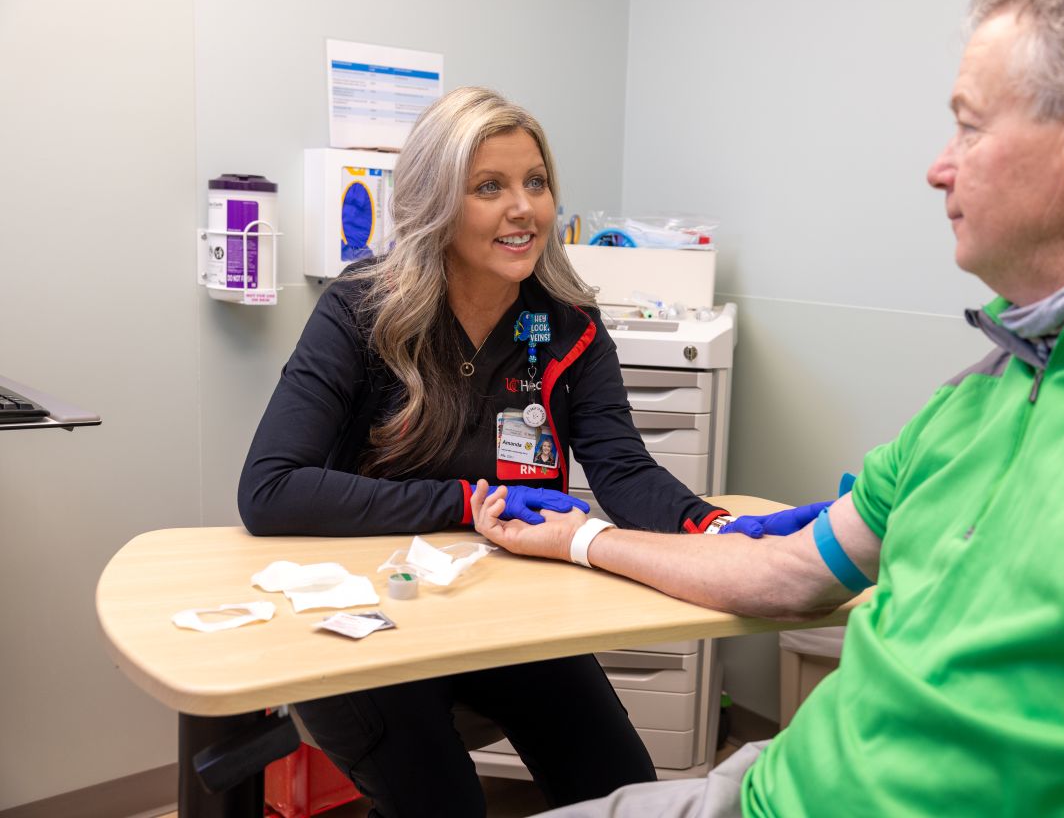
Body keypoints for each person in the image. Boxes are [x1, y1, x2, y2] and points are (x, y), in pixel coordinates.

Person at [471, 0, 1064, 814]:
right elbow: (788, 570)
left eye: (969, 124)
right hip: (774, 788)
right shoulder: (996, 379)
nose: (937, 167)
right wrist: (582, 540)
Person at [237, 86, 736, 817]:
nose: (523, 208)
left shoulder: (570, 330)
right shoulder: (362, 313)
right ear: (437, 202)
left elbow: (623, 469)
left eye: (535, 182)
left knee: (625, 793)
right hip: (372, 621)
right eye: (489, 187)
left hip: (504, 613)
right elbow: (271, 490)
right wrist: (469, 503)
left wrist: (715, 529)